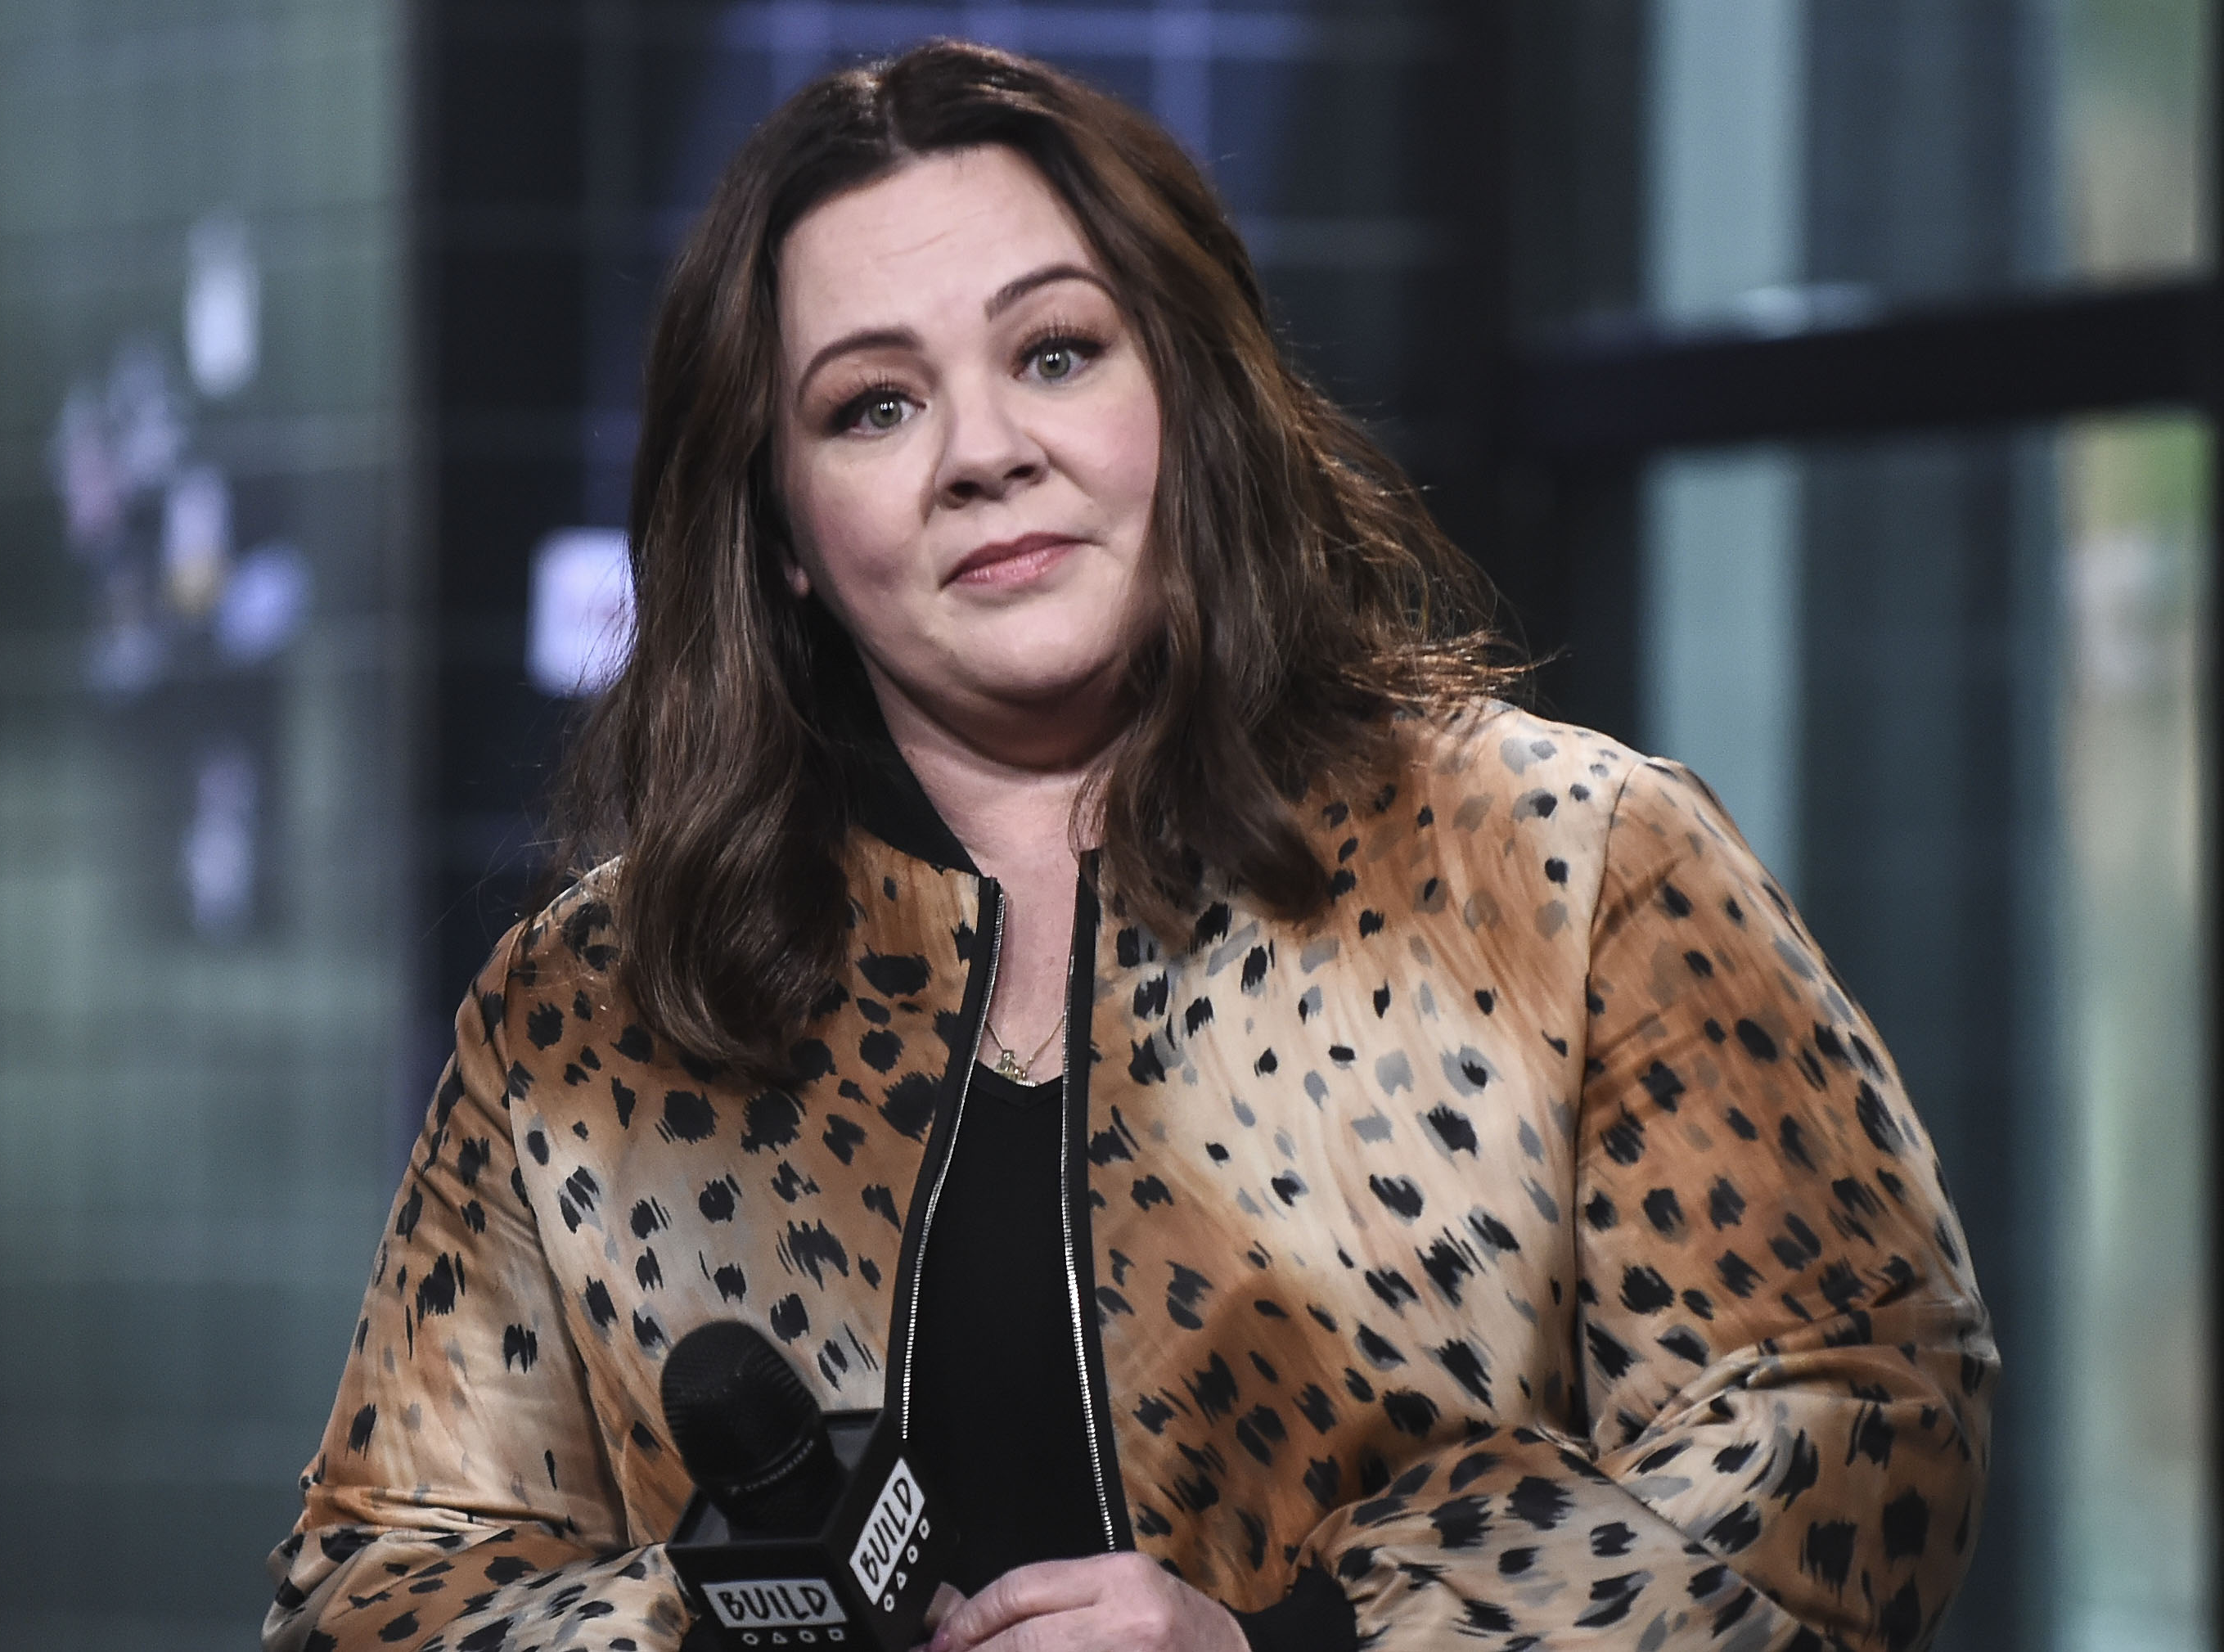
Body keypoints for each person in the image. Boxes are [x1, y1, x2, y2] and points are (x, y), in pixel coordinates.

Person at [265, 40, 1993, 1652]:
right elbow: (374, 1588)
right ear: (783, 528)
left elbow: (1858, 1419)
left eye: (1058, 353)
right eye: (873, 405)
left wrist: (1302, 1642)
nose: (986, 453)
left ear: (1188, 389)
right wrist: (718, 1623)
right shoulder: (587, 1008)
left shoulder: (1565, 861)